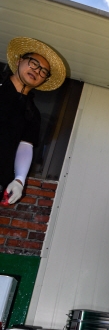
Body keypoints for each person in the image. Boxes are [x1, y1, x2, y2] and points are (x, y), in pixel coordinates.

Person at [0, 37, 66, 205]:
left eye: (43, 71)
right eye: (34, 63)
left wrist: (19, 180)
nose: (37, 71)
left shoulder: (32, 113)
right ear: (20, 61)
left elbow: (26, 145)